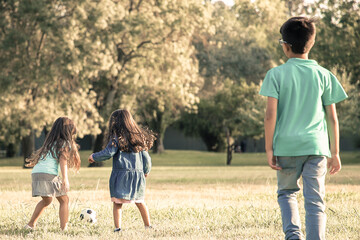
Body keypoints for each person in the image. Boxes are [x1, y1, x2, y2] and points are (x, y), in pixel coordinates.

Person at [259, 17, 347, 240]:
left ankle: (293, 236)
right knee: (315, 200)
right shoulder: (324, 75)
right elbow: (332, 118)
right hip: (316, 148)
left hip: (286, 147)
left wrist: (269, 149)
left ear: (285, 46)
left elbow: (270, 115)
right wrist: (335, 152)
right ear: (312, 43)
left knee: (287, 193)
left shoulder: (275, 75)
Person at [88, 109, 156, 232]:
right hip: (137, 176)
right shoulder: (138, 137)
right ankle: (148, 225)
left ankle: (118, 228)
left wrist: (94, 157)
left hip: (121, 176)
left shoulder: (116, 138)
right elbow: (147, 158)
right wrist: (146, 171)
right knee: (140, 201)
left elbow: (109, 153)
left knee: (118, 203)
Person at [25, 117, 81, 231]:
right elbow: (63, 161)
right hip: (48, 174)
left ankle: (30, 225)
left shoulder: (49, 143)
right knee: (64, 200)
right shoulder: (64, 143)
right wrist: (65, 179)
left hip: (36, 173)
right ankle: (64, 228)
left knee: (47, 200)